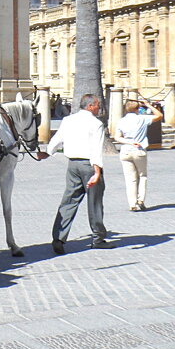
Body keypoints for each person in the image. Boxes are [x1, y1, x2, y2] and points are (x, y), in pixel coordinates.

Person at [47, 94, 112, 254]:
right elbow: (96, 149)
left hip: (73, 165)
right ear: (90, 106)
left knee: (69, 200)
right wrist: (97, 172)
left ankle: (58, 238)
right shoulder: (95, 123)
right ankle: (98, 239)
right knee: (94, 203)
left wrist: (48, 152)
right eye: (97, 105)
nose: (98, 108)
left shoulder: (68, 120)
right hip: (89, 165)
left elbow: (56, 140)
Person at [114, 97, 163, 211]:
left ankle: (132, 204)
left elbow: (117, 137)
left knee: (130, 178)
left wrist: (129, 141)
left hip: (126, 149)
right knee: (142, 175)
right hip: (139, 149)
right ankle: (140, 199)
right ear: (138, 108)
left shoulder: (121, 121)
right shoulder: (142, 118)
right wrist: (148, 105)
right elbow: (159, 115)